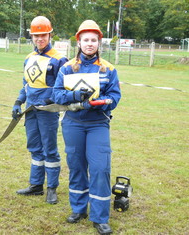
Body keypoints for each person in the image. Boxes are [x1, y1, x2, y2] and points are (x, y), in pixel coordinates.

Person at [52, 20, 121, 234]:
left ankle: (100, 217)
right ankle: (79, 209)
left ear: (99, 42)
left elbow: (115, 96)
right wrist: (75, 96)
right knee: (76, 166)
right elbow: (56, 95)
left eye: (93, 40)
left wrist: (103, 102)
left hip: (98, 124)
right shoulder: (66, 68)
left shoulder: (108, 68)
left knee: (100, 168)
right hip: (73, 123)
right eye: (85, 40)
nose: (89, 44)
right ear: (79, 42)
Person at [12, 16, 68, 204]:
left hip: (47, 111)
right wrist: (18, 101)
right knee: (34, 147)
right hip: (30, 110)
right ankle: (36, 185)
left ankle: (52, 187)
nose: (39, 39)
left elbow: (64, 88)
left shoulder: (60, 60)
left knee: (49, 150)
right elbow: (26, 83)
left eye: (43, 35)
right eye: (36, 36)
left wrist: (48, 98)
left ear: (50, 34)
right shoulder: (29, 58)